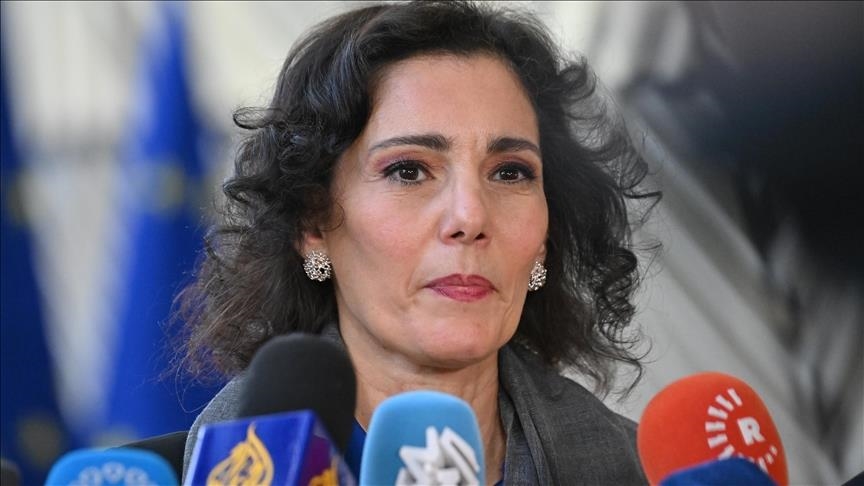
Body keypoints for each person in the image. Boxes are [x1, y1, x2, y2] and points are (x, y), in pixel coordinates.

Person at [177, 1, 655, 484]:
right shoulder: (213, 469)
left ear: (545, 239)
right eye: (409, 171)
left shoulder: (643, 472)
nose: (470, 217)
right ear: (313, 225)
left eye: (510, 173)